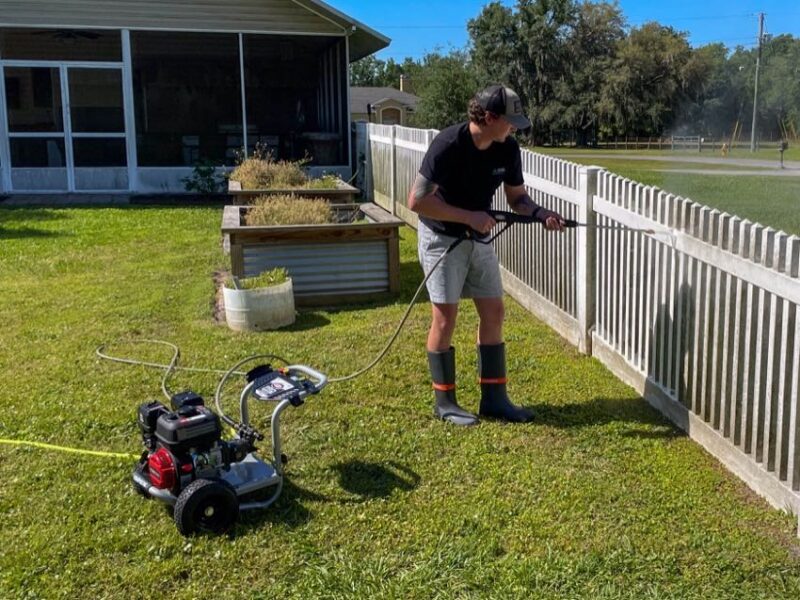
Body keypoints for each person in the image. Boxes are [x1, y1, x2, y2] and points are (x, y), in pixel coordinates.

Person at [408, 84, 565, 426]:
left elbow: (517, 199)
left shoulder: (507, 149)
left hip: (477, 239)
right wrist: (470, 217)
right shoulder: (449, 144)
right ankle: (445, 402)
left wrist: (541, 215)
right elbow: (417, 201)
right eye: (510, 121)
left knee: (494, 311)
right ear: (490, 117)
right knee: (445, 317)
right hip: (441, 237)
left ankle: (494, 400)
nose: (515, 128)